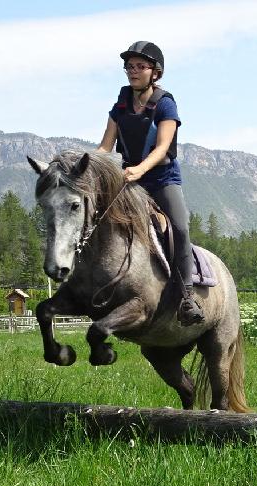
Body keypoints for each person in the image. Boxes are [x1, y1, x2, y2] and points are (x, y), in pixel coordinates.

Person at [97, 41, 204, 326]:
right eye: (129, 66)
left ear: (155, 72)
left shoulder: (166, 103)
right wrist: (86, 166)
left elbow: (162, 147)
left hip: (161, 179)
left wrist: (139, 169)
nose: (133, 71)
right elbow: (106, 146)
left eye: (139, 67)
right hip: (128, 178)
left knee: (180, 228)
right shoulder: (120, 104)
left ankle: (187, 298)